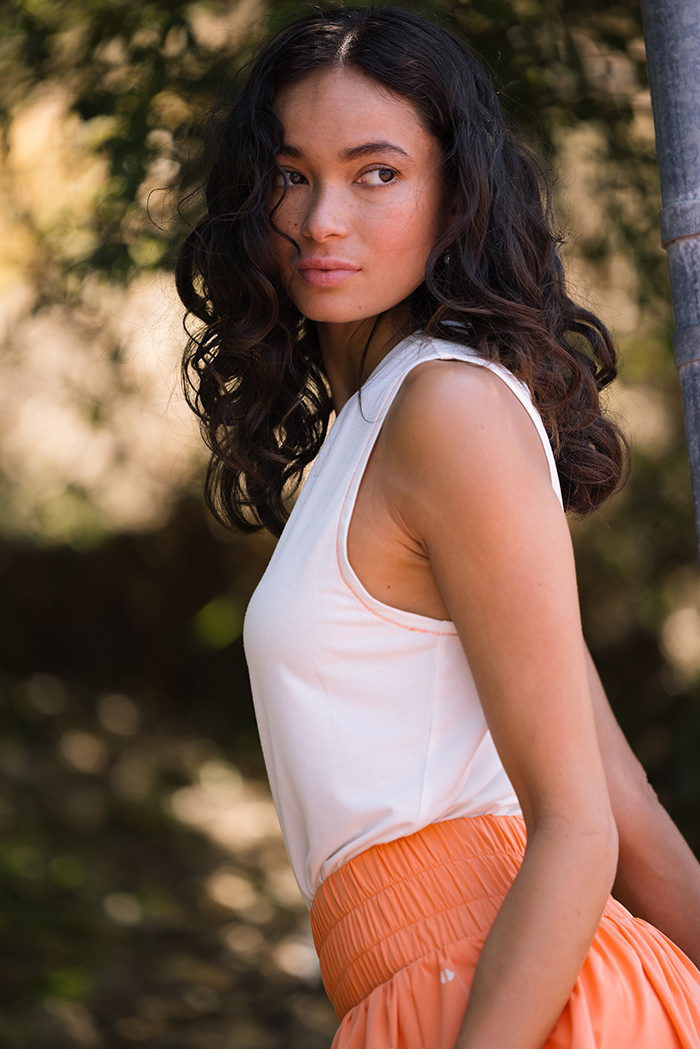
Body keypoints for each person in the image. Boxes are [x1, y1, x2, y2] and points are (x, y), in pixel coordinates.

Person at [175, 7, 700, 1047]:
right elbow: (624, 800)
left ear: (457, 194)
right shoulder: (379, 427)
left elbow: (582, 827)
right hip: (429, 991)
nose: (321, 219)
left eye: (376, 173)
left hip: (508, 987)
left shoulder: (447, 407)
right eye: (289, 174)